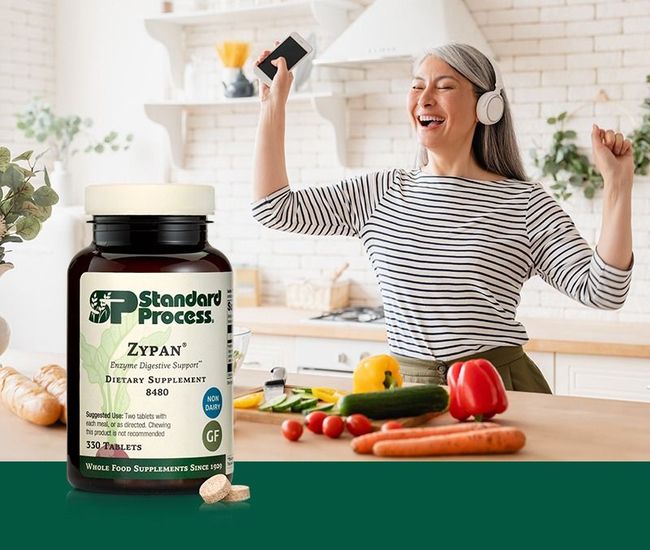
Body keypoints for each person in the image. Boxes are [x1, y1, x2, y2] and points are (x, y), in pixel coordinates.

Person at [251, 42, 634, 393]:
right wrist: (272, 107)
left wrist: (617, 188)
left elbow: (604, 291)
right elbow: (274, 208)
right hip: (405, 392)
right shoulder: (379, 193)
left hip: (500, 388)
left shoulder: (524, 203)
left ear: (487, 106)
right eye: (417, 86)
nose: (425, 99)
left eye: (445, 87)